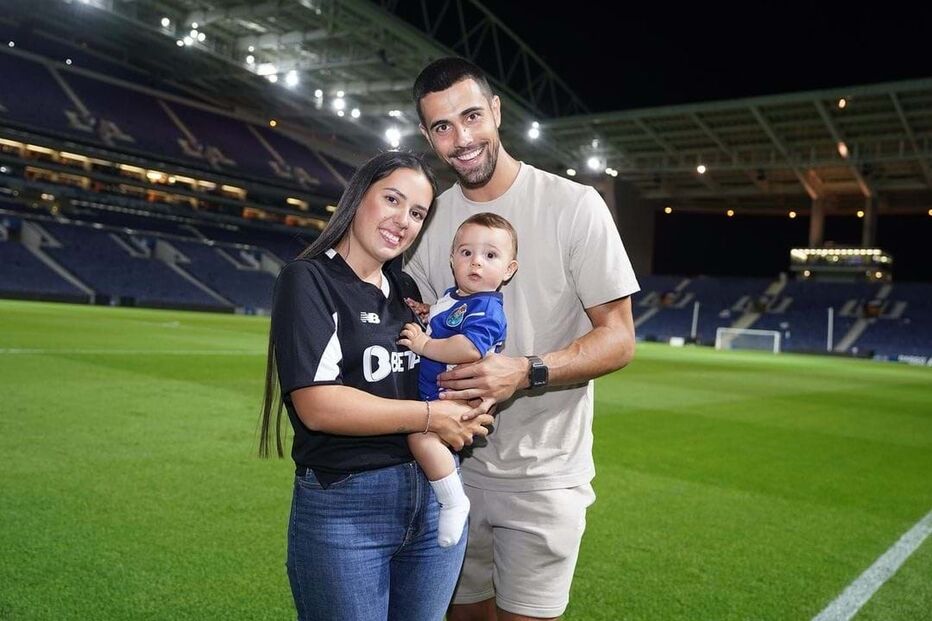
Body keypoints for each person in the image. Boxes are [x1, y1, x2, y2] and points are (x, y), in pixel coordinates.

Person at [404, 58, 639, 621]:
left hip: (544, 476)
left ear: (497, 112)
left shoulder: (574, 205)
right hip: (454, 467)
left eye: (470, 116)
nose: (460, 139)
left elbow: (620, 339)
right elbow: (430, 321)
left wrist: (525, 371)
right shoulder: (430, 220)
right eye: (441, 127)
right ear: (427, 136)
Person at [258, 150, 495, 621]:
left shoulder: (407, 289)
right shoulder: (308, 279)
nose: (402, 221)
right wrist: (431, 417)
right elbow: (318, 405)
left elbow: (440, 365)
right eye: (392, 199)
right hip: (347, 502)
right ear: (358, 196)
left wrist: (478, 390)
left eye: (417, 213)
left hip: (434, 498)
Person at [397, 212, 518, 549]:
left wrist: (425, 344)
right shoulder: (454, 298)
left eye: (490, 256)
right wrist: (427, 312)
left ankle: (453, 500)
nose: (475, 262)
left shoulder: (488, 308)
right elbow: (446, 320)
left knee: (420, 438)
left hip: (455, 398)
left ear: (509, 269)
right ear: (452, 259)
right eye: (466, 253)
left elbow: (467, 347)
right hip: (436, 392)